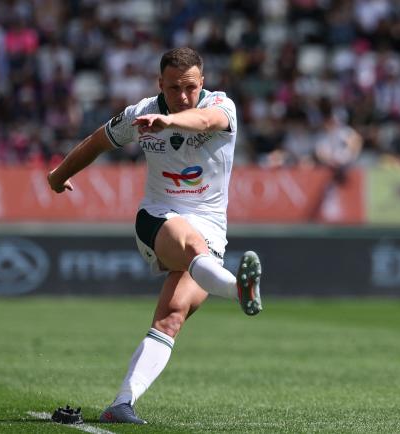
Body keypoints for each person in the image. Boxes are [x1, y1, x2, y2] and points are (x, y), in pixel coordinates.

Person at [47, 47, 263, 424]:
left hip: (212, 229)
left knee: (171, 318)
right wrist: (58, 175)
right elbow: (97, 141)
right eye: (174, 87)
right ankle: (238, 290)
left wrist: (170, 122)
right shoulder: (139, 114)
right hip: (158, 217)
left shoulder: (221, 105)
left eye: (190, 87)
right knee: (191, 244)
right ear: (160, 83)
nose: (183, 96)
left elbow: (206, 120)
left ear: (202, 83)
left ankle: (121, 404)